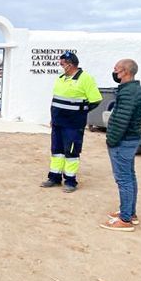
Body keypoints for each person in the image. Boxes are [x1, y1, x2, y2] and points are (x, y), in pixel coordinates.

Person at [40, 51, 102, 192]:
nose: (61, 66)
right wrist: (53, 118)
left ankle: (70, 181)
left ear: (70, 64)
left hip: (73, 124)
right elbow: (57, 100)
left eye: (63, 63)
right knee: (57, 151)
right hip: (58, 123)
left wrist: (79, 112)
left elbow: (95, 100)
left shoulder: (85, 78)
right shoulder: (61, 78)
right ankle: (54, 177)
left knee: (71, 152)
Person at [100, 59, 141, 232]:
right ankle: (130, 212)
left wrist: (111, 140)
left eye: (116, 69)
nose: (114, 72)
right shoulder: (138, 90)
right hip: (131, 138)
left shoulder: (129, 93)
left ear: (125, 72)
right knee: (129, 176)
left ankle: (125, 219)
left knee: (123, 179)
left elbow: (122, 120)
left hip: (123, 141)